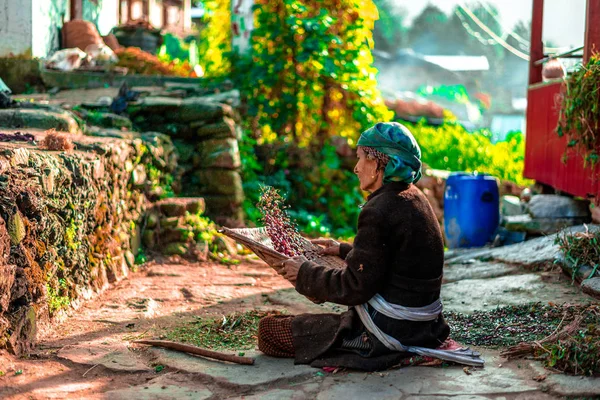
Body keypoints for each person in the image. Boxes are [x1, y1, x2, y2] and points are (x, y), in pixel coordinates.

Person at [257, 122, 482, 371]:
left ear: (377, 165)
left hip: (392, 329)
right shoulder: (414, 197)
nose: (356, 168)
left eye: (360, 158)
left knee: (270, 332)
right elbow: (389, 255)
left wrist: (305, 273)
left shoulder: (379, 209)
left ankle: (364, 343)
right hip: (427, 325)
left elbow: (355, 287)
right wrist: (343, 250)